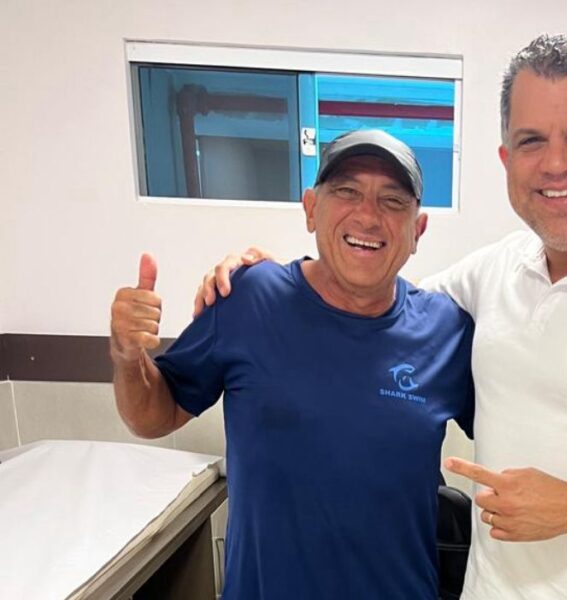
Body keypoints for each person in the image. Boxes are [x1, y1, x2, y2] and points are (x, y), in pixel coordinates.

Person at [196, 34, 567, 599]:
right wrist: (280, 282)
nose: (556, 163)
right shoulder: (496, 270)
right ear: (507, 160)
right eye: (531, 140)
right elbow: (373, 294)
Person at [110, 130, 475, 599]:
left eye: (392, 200)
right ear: (310, 209)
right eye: (347, 191)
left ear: (417, 231)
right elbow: (152, 416)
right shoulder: (247, 297)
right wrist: (127, 357)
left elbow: (516, 431)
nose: (368, 215)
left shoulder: (447, 330)